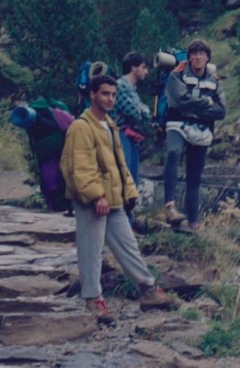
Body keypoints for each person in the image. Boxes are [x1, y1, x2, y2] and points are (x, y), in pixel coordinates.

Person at [61, 74, 178, 324]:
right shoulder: (82, 127)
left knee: (128, 246)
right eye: (105, 94)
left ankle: (148, 290)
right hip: (93, 200)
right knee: (91, 250)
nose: (110, 99)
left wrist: (130, 193)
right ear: (92, 94)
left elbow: (118, 165)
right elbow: (79, 167)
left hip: (113, 200)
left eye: (113, 94)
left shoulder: (110, 124)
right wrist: (95, 196)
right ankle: (93, 300)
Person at [162, 39, 226, 232]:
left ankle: (193, 222)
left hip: (201, 129)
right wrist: (207, 103)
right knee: (173, 152)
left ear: (207, 58)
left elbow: (222, 111)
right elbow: (179, 100)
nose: (198, 57)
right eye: (194, 53)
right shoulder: (177, 74)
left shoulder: (215, 80)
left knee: (194, 175)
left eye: (202, 54)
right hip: (177, 123)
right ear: (189, 57)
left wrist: (194, 108)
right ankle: (170, 206)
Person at [111, 52, 151, 186]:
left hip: (131, 136)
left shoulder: (131, 89)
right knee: (124, 174)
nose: (146, 71)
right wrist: (141, 110)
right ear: (134, 68)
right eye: (143, 67)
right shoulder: (121, 86)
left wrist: (142, 109)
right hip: (120, 134)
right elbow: (134, 113)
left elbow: (145, 111)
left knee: (132, 178)